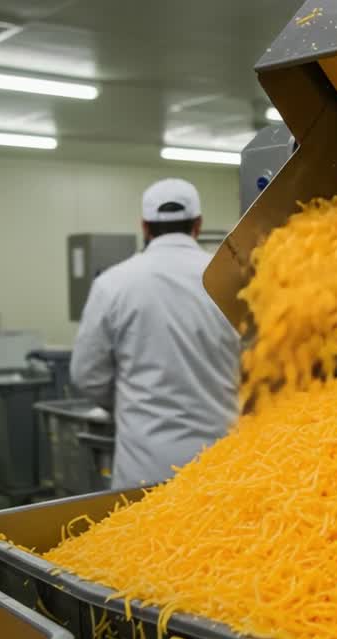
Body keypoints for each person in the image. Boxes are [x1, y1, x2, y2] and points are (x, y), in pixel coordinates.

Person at [71, 178, 240, 488]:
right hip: (221, 463)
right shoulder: (231, 280)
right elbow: (257, 367)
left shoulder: (113, 284)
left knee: (146, 537)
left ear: (144, 226)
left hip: (145, 465)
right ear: (198, 224)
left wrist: (130, 404)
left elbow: (86, 375)